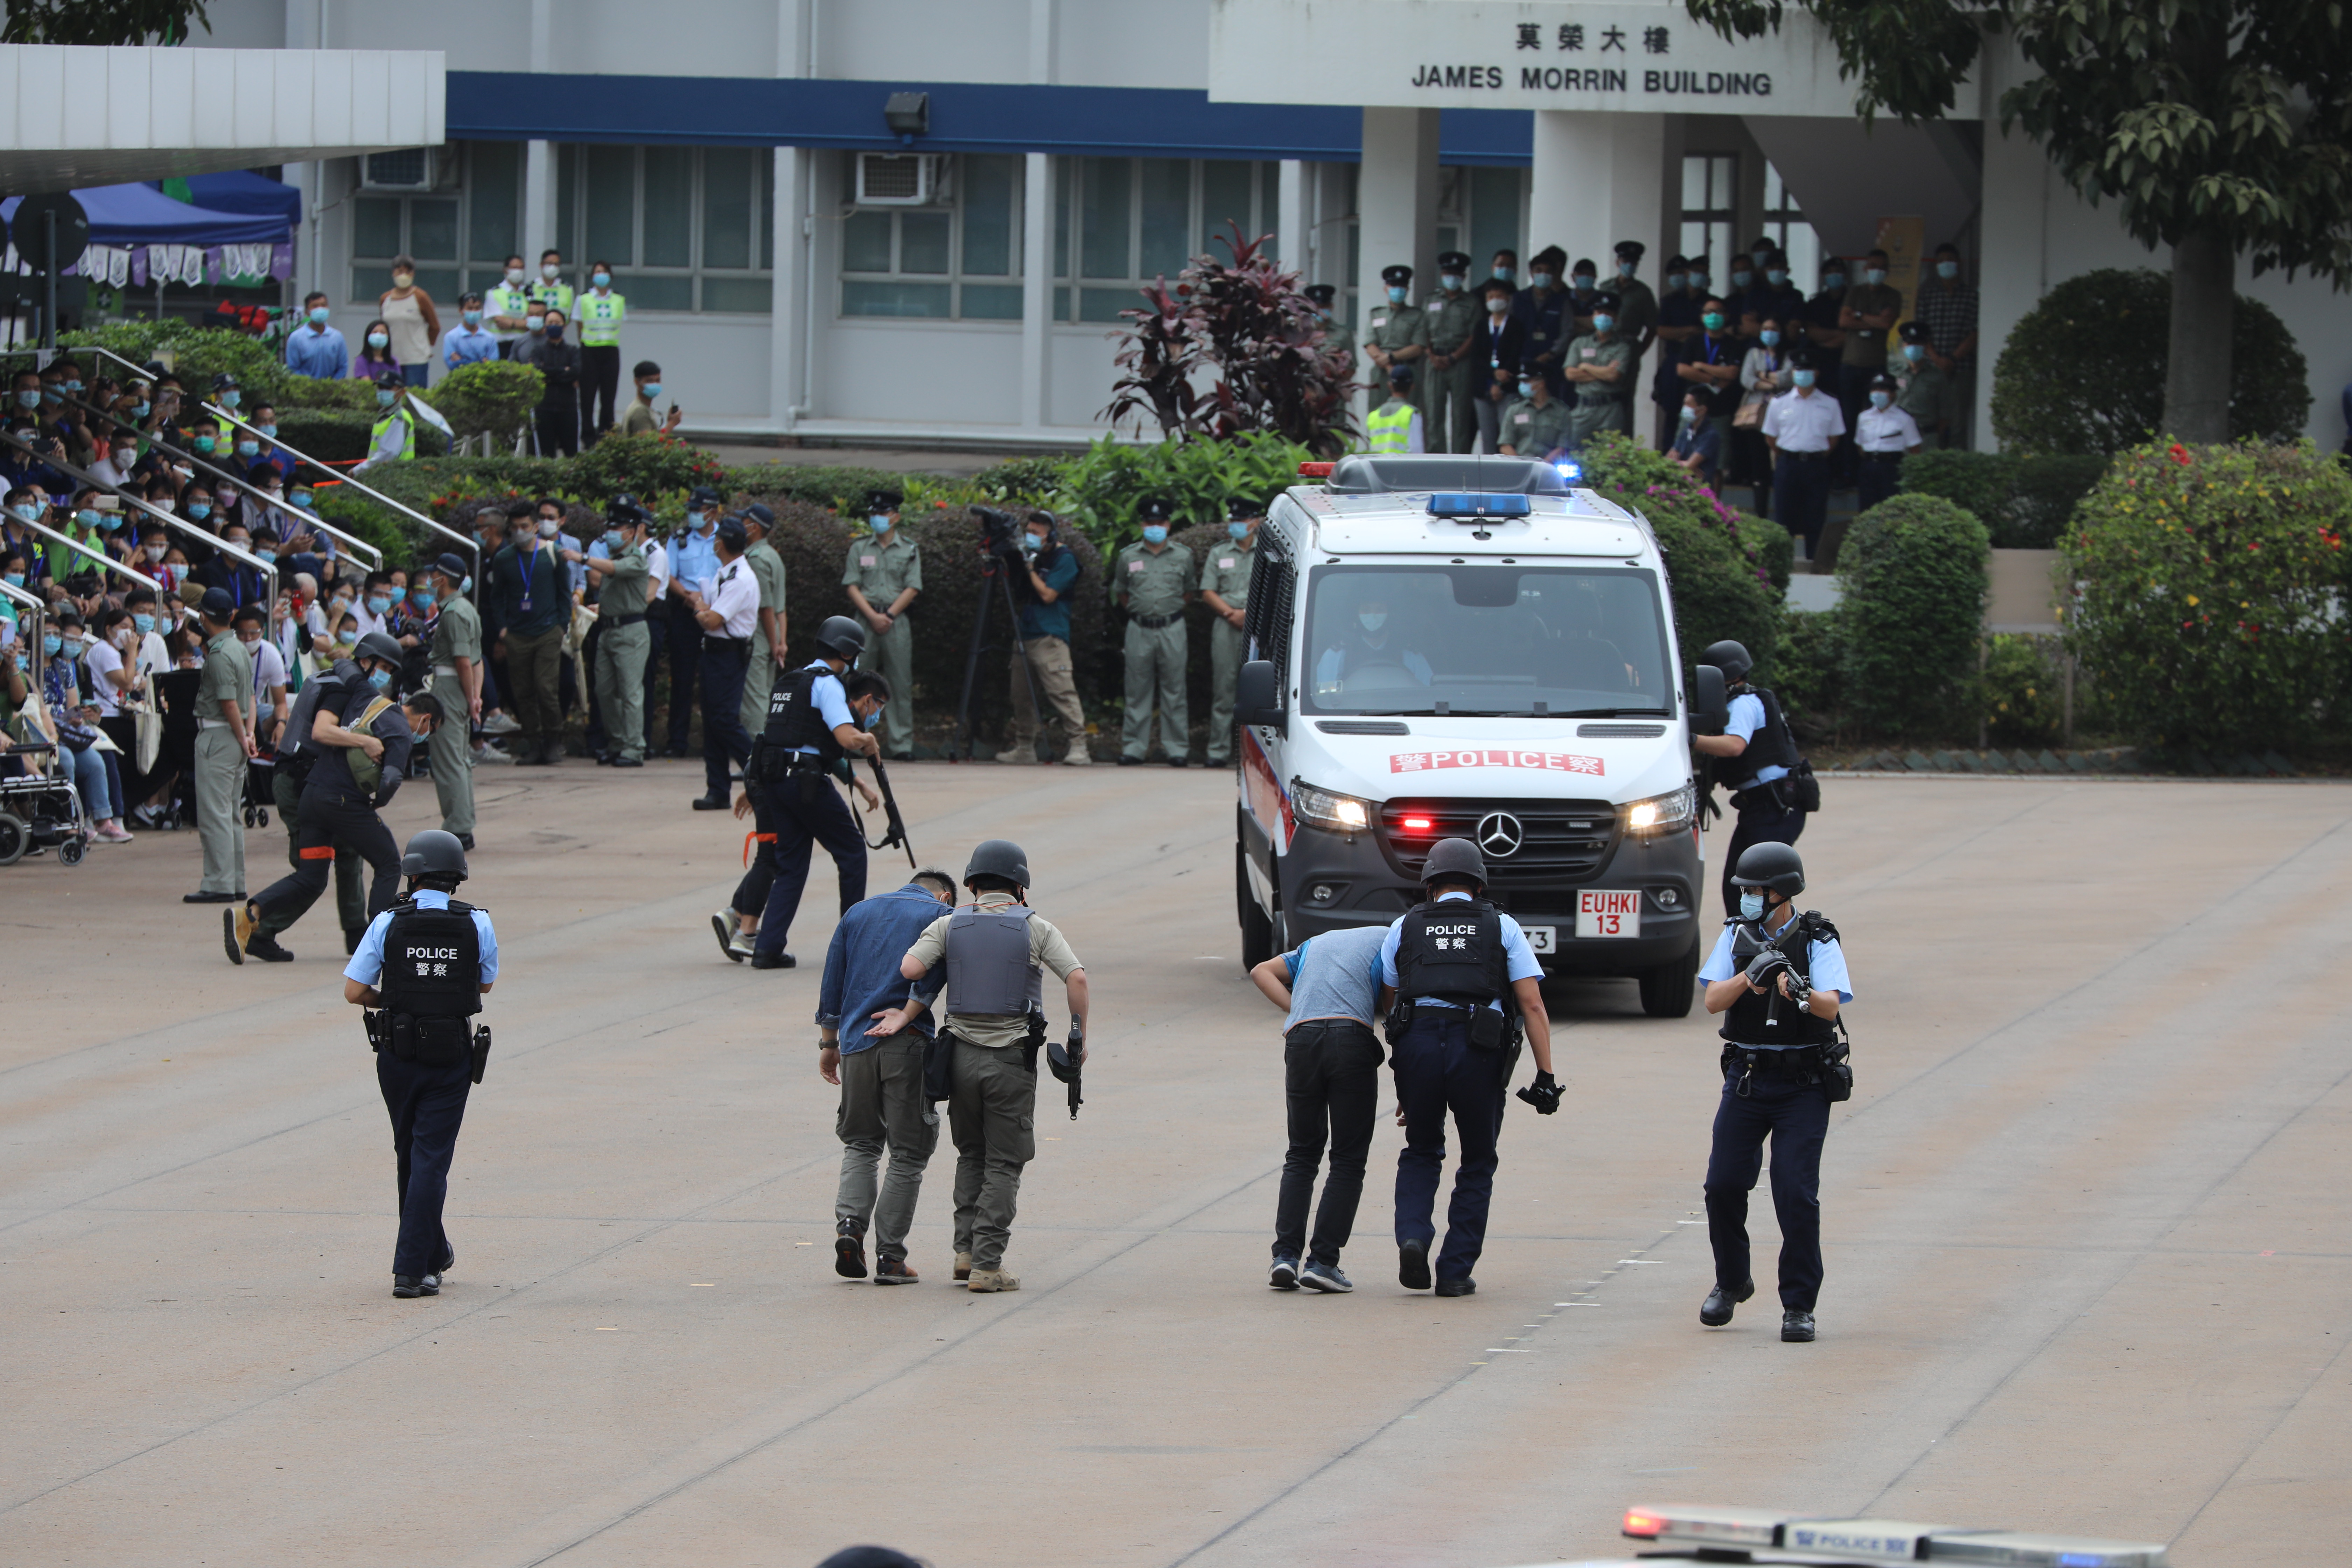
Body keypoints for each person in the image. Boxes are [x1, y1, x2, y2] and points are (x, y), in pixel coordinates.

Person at [887, 839, 1089, 1293]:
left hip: (958, 1059)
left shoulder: (950, 923)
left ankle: (965, 1253)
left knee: (972, 1155)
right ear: (1020, 887)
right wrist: (1080, 1035)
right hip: (1010, 1062)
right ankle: (987, 1264)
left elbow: (911, 969)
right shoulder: (1036, 927)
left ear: (973, 884)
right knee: (1005, 1160)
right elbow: (1076, 977)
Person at [1378, 837, 1557, 1296]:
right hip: (1478, 1047)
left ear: (1430, 885)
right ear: (1479, 886)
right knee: (1477, 1158)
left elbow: (1392, 1001)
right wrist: (1545, 1076)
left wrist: (1406, 1082)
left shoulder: (1405, 925)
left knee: (1421, 1149)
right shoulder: (1503, 925)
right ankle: (1455, 1271)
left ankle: (1413, 1237)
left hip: (1417, 1046)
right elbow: (1532, 1004)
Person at [1698, 841, 1850, 1343]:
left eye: (1756, 891)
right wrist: (1750, 977)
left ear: (1782, 893)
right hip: (1747, 1078)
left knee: (1795, 1192)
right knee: (1723, 1184)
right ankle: (1732, 1282)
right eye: (1744, 890)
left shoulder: (1818, 938)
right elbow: (1713, 1000)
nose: (1747, 898)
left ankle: (1799, 1305)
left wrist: (1798, 990)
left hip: (1802, 1084)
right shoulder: (1734, 935)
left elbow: (1831, 1005)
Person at [343, 828, 498, 1299]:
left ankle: (430, 1254)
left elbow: (354, 991)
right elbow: (484, 985)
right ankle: (413, 1269)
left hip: (398, 1054)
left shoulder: (388, 921)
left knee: (410, 1154)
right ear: (457, 878)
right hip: (450, 1057)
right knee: (430, 1158)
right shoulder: (478, 923)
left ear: (412, 875)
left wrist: (394, 999)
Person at [233, 634, 438, 963]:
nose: (385, 675)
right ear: (367, 661)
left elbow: (345, 676)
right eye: (384, 667)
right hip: (307, 786)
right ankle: (370, 941)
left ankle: (254, 916)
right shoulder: (345, 691)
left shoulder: (353, 687)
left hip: (311, 790)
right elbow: (323, 732)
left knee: (318, 872)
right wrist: (365, 745)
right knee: (375, 861)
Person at [815, 868, 959, 1283]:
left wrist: (829, 1044)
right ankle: (890, 1257)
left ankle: (850, 1228)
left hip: (855, 1043)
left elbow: (832, 982)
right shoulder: (941, 916)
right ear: (945, 896)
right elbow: (936, 976)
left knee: (861, 1142)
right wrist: (913, 1010)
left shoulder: (857, 913)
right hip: (907, 1044)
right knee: (909, 1151)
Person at [737, 615, 886, 968]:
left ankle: (767, 948)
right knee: (852, 852)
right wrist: (868, 739)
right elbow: (845, 737)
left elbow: (777, 735)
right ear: (847, 653)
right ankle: (852, 946)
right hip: (806, 781)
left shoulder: (789, 682)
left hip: (776, 781)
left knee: (791, 864)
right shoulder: (828, 684)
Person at [1248, 922, 1388, 1294]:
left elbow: (1261, 971)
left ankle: (1285, 1257)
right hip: (1351, 1039)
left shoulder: (1316, 944)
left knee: (1301, 1153)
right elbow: (1393, 1000)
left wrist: (1297, 1010)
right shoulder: (1394, 939)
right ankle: (1323, 1262)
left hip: (1302, 1039)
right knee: (1347, 1158)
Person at [1691, 639, 1810, 917]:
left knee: (1761, 889)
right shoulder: (1749, 700)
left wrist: (1691, 738)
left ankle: (1771, 939)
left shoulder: (1744, 704)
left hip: (1774, 809)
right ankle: (1749, 938)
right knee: (1739, 885)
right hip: (1762, 808)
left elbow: (1735, 746)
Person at [182, 585, 255, 905]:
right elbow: (250, 697)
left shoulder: (220, 654)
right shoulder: (238, 648)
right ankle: (234, 880)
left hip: (220, 735)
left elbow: (228, 703)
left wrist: (242, 736)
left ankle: (219, 882)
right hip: (236, 735)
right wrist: (249, 735)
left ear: (203, 616)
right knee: (230, 813)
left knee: (215, 814)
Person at [999, 508, 1088, 768]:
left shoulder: (1065, 559)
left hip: (1050, 636)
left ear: (1051, 535)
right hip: (1025, 634)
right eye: (1028, 531)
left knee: (1062, 693)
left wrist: (1030, 569)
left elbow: (1049, 595)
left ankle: (1079, 746)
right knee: (1021, 696)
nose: (1031, 536)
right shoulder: (1032, 556)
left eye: (1036, 533)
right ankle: (1025, 747)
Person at [490, 497, 572, 766]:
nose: (519, 532)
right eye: (514, 527)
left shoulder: (553, 554)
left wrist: (561, 626)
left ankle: (553, 740)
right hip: (517, 634)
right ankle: (534, 743)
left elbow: (564, 593)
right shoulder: (504, 559)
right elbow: (497, 596)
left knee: (546, 688)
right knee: (523, 692)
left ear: (536, 527)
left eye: (524, 526)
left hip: (548, 631)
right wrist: (503, 629)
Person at [840, 488, 920, 761]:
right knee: (857, 681)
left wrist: (889, 616)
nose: (878, 518)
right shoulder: (860, 547)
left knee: (900, 682)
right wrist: (873, 616)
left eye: (883, 513)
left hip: (896, 621)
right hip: (864, 620)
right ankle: (853, 739)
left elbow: (913, 587)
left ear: (895, 516)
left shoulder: (909, 549)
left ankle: (902, 744)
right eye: (874, 513)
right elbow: (852, 585)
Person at [686, 517, 761, 811]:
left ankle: (762, 770)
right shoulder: (726, 573)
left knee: (724, 720)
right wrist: (705, 611)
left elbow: (713, 620)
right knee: (712, 722)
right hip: (714, 653)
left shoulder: (740, 579)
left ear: (721, 543)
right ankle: (718, 789)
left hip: (728, 654)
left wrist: (699, 609)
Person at [1112, 496, 1193, 766]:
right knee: (1137, 690)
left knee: (1175, 690)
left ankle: (1177, 749)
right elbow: (1121, 592)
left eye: (1159, 523)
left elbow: (1189, 591)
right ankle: (1134, 748)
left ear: (1168, 525)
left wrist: (1169, 611)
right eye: (1150, 523)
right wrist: (1141, 611)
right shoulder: (1128, 556)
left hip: (1173, 627)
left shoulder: (1183, 555)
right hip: (1139, 628)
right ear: (1142, 525)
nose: (1154, 527)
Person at [575, 496, 654, 767]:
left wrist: (583, 558)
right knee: (604, 691)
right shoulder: (613, 556)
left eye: (616, 528)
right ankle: (618, 743)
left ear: (631, 533)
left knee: (631, 692)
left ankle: (634, 749)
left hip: (631, 632)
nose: (610, 533)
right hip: (608, 630)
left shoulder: (636, 559)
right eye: (609, 527)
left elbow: (613, 570)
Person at [422, 553, 482, 850]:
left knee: (448, 759)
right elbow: (477, 660)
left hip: (449, 686)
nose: (429, 581)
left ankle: (458, 827)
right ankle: (463, 823)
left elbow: (463, 662)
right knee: (458, 758)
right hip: (460, 687)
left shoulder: (453, 613)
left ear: (442, 579)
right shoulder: (466, 608)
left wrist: (471, 698)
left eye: (433, 575)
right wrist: (475, 697)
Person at [1761, 355, 1846, 562]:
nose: (1803, 374)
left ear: (1816, 373)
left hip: (1817, 465)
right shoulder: (1779, 402)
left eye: (1808, 370)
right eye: (1799, 370)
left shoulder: (1830, 403)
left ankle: (1814, 562)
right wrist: (1785, 454)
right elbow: (1770, 436)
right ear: (1792, 373)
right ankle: (1783, 563)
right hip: (1788, 464)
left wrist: (1816, 454)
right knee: (1784, 518)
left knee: (1815, 517)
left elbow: (1834, 437)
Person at [1198, 496, 1257, 769]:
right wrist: (1230, 614)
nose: (1237, 525)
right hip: (1226, 623)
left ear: (1255, 522)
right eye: (1233, 520)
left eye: (1242, 520)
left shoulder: (1267, 551)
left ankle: (1252, 754)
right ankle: (1218, 750)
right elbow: (1208, 591)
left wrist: (1248, 614)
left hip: (1258, 627)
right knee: (1224, 689)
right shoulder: (1220, 552)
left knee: (1257, 692)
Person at [662, 490, 722, 757]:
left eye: (699, 510)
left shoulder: (726, 537)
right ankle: (677, 742)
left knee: (716, 679)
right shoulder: (679, 538)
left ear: (713, 512)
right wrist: (688, 596)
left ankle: (717, 741)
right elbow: (668, 575)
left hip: (718, 614)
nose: (694, 514)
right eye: (692, 509)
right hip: (685, 613)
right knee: (682, 678)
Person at [1837, 249, 1903, 463]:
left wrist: (1858, 315)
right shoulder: (1856, 292)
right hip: (1850, 364)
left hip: (1876, 366)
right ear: (1866, 269)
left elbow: (1887, 323)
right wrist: (1872, 320)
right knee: (1849, 419)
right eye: (1874, 266)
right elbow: (1843, 321)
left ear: (1888, 271)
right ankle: (1848, 469)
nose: (1878, 271)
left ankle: (1871, 464)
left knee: (1874, 418)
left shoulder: (1893, 295)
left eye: (1882, 268)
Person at [1913, 243, 1979, 446]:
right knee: (1931, 421)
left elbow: (1975, 333)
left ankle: (1956, 462)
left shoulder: (1972, 295)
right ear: (1936, 266)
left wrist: (1952, 359)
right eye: (1941, 261)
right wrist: (1936, 359)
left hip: (1961, 368)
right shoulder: (1927, 295)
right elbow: (1920, 332)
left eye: (1950, 260)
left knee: (1958, 423)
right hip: (1931, 367)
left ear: (1959, 263)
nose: (1946, 264)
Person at [736, 503, 790, 750]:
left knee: (754, 698)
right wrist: (781, 642)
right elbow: (780, 609)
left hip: (760, 634)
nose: (741, 525)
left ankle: (755, 754)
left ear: (754, 527)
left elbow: (766, 608)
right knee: (765, 694)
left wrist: (772, 643)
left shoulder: (756, 559)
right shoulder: (772, 555)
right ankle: (767, 749)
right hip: (772, 632)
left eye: (744, 521)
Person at [1419, 251, 1482, 454]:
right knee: (1434, 414)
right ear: (1442, 274)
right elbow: (1424, 331)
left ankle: (1460, 458)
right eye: (1448, 273)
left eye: (1456, 274)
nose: (1451, 278)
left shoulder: (1471, 303)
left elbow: (1474, 336)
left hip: (1460, 361)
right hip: (1434, 361)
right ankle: (1436, 457)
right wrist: (1432, 355)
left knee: (1461, 415)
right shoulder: (1430, 300)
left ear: (1463, 276)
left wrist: (1454, 357)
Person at [1560, 290, 1633, 452]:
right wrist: (1603, 373)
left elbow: (1613, 375)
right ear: (1593, 316)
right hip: (1584, 408)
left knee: (1611, 454)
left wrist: (1585, 367)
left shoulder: (1622, 346)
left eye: (1608, 314)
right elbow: (1570, 374)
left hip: (1610, 409)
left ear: (1616, 318)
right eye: (1600, 313)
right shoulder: (1580, 343)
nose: (1603, 317)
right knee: (1573, 453)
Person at [1735, 315, 1794, 510]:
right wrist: (1771, 383)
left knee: (1778, 457)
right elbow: (1747, 379)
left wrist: (1762, 375)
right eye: (1765, 329)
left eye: (1774, 329)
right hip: (1756, 414)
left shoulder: (1788, 355)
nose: (1769, 333)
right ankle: (1761, 510)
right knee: (1759, 461)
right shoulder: (1753, 353)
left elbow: (1788, 378)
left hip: (1781, 412)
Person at [1675, 296, 1744, 461]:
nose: (1713, 316)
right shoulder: (1694, 341)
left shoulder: (1733, 344)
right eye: (1709, 312)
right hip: (1692, 409)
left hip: (1720, 409)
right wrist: (1714, 380)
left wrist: (1701, 366)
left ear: (1726, 316)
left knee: (1719, 460)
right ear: (1702, 317)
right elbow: (1683, 370)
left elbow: (1731, 374)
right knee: (1681, 455)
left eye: (1718, 312)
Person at [1606, 240, 1660, 436]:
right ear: (1618, 263)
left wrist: (1638, 352)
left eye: (1633, 262)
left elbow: (1652, 328)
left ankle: (1624, 441)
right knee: (1602, 391)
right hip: (1606, 344)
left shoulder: (1643, 293)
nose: (1629, 265)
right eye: (1625, 261)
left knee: (1626, 399)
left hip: (1629, 345)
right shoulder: (1605, 287)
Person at [1470, 277, 1526, 453]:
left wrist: (1499, 382)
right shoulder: (1481, 326)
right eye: (1491, 297)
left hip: (1508, 387)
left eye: (1499, 296)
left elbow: (1515, 355)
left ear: (1508, 298)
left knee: (1507, 435)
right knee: (1488, 438)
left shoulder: (1516, 326)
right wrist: (1493, 374)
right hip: (1483, 388)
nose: (1495, 300)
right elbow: (1476, 357)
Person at [1361, 264, 1428, 412]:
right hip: (1381, 372)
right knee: (1377, 412)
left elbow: (1419, 347)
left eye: (1402, 287)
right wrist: (1388, 366)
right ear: (1386, 289)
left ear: (1407, 289)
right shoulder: (1376, 314)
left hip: (1407, 370)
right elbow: (1370, 344)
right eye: (1394, 286)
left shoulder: (1417, 315)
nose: (1398, 290)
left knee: (1406, 413)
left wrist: (1391, 357)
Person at [1854, 373, 1925, 512]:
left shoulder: (1904, 418)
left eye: (1883, 390)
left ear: (1893, 394)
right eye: (1875, 390)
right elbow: (1860, 445)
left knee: (1891, 509)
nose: (1878, 394)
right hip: (1868, 467)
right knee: (1867, 508)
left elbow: (1915, 449)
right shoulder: (1864, 417)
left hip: (1891, 468)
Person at [574, 261, 626, 437]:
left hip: (610, 351)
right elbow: (580, 326)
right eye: (597, 272)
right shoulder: (583, 299)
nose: (601, 275)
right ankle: (588, 436)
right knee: (587, 397)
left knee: (609, 398)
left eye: (604, 272)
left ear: (610, 276)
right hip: (589, 351)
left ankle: (607, 435)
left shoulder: (618, 299)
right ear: (592, 276)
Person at [377, 257, 442, 387]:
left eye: (408, 272)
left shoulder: (420, 297)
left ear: (413, 274)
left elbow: (435, 326)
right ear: (393, 273)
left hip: (415, 360)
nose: (404, 275)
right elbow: (383, 327)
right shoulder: (385, 299)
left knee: (414, 397)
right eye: (400, 271)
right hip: (391, 359)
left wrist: (425, 345)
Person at [1516, 246, 1572, 396]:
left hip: (1552, 363)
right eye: (1539, 270)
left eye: (1548, 271)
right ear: (1531, 273)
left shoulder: (1562, 302)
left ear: (1554, 274)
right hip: (1523, 360)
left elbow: (1567, 332)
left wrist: (1551, 354)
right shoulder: (1518, 299)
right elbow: (1510, 330)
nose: (1543, 275)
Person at [1892, 321, 1954, 450]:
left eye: (1918, 344)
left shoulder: (1937, 376)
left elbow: (1946, 413)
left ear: (1925, 346)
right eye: (1910, 344)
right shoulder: (1894, 374)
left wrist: (1933, 434)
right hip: (1898, 436)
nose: (1913, 348)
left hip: (1927, 436)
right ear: (1904, 346)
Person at [532, 308, 583, 457]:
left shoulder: (573, 351)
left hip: (568, 408)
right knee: (546, 455)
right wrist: (564, 370)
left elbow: (576, 372)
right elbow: (537, 371)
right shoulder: (538, 350)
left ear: (565, 326)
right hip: (544, 408)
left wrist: (548, 375)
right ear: (545, 326)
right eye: (550, 323)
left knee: (572, 455)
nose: (554, 326)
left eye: (558, 323)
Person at [352, 368, 417, 475]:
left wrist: (358, 471)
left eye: (388, 388)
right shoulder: (385, 416)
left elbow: (388, 454)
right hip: (381, 476)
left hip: (395, 476)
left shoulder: (400, 418)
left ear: (402, 392)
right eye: (380, 388)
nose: (382, 392)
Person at [1495, 370, 1570, 460]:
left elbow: (1563, 447)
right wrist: (1521, 464)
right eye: (1521, 382)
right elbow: (1505, 445)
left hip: (1549, 465)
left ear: (1541, 384)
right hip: (1520, 463)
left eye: (1526, 381)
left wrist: (1544, 464)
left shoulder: (1561, 411)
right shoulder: (1515, 410)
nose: (1522, 385)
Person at [285, 292, 350, 379]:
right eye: (315, 306)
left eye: (324, 305)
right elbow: (293, 369)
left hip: (332, 387)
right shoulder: (296, 338)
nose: (320, 309)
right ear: (307, 312)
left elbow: (342, 367)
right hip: (305, 387)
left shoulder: (337, 337)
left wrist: (332, 384)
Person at [1668, 385, 1724, 487]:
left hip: (1700, 489)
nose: (1685, 408)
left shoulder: (1711, 435)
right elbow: (1668, 459)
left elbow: (1689, 466)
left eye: (1689, 404)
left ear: (1702, 410)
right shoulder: (1686, 431)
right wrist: (1685, 465)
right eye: (1684, 403)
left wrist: (1680, 464)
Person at [1362, 364, 1424, 452]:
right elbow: (1417, 450)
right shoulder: (1411, 414)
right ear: (1412, 387)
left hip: (1378, 462)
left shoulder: (1373, 416)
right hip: (1402, 462)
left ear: (1390, 385)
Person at [1304, 283, 1354, 384]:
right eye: (1317, 308)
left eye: (1324, 307)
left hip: (1333, 386)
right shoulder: (1301, 332)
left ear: (1331, 307)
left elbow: (1351, 368)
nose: (1320, 311)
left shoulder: (1343, 333)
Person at [618, 360, 683, 437]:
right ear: (637, 382)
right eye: (650, 381)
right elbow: (649, 442)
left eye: (658, 380)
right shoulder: (640, 410)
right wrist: (672, 423)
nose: (654, 384)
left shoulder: (642, 407)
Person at [485, 255, 532, 356]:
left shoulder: (529, 293)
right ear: (506, 270)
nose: (518, 271)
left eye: (521, 268)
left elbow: (534, 322)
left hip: (523, 344)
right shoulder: (494, 293)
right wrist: (524, 323)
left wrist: (512, 324)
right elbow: (501, 322)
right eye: (515, 268)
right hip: (501, 345)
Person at [442, 293, 498, 369]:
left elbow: (493, 365)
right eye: (470, 308)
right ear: (461, 311)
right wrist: (482, 362)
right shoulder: (451, 337)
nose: (474, 312)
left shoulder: (490, 338)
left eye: (477, 308)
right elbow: (452, 365)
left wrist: (462, 362)